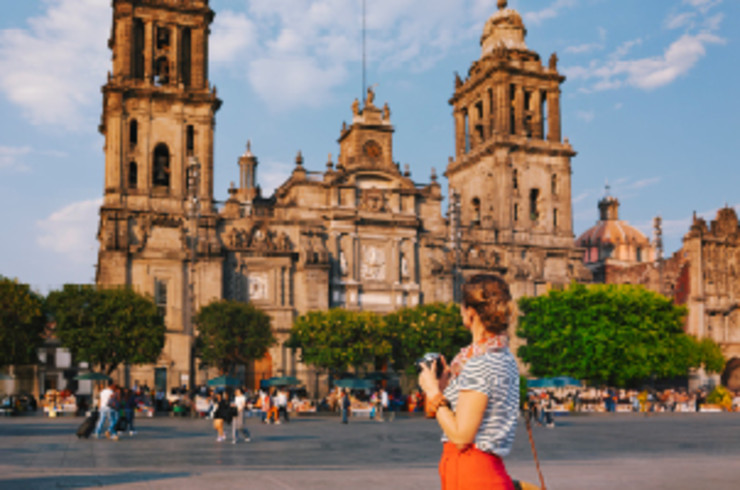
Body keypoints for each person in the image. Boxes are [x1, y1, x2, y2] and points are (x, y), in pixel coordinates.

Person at [418, 274, 519, 490]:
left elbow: (462, 437)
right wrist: (442, 390)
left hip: (473, 475)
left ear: (471, 311)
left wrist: (433, 391)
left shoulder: (480, 363)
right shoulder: (502, 356)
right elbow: (437, 415)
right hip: (476, 473)